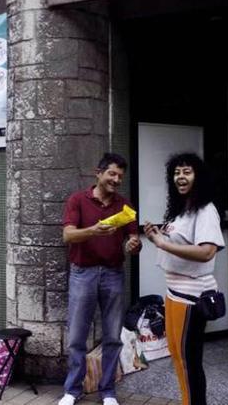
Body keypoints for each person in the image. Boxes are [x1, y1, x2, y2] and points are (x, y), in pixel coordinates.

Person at [58, 153, 141, 405]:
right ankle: (72, 390)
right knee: (76, 337)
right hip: (83, 273)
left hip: (113, 274)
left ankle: (108, 391)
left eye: (120, 177)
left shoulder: (124, 205)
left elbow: (132, 240)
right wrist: (93, 231)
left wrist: (134, 244)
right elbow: (68, 236)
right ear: (99, 172)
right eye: (112, 174)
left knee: (113, 336)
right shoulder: (77, 200)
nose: (116, 180)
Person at [144, 153, 224, 405]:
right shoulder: (183, 209)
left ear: (198, 176)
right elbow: (180, 243)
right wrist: (160, 237)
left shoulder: (205, 210)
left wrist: (162, 244)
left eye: (187, 171)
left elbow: (207, 251)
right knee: (178, 356)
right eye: (177, 172)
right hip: (175, 293)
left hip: (191, 298)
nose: (180, 176)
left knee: (188, 361)